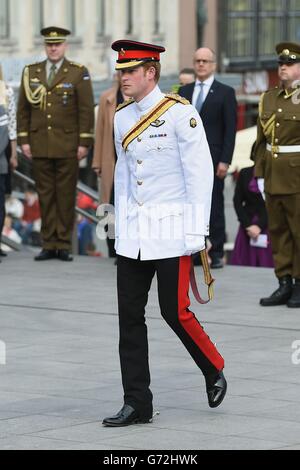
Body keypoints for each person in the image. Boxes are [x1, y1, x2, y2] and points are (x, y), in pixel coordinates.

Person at [102, 40, 227, 428]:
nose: (124, 77)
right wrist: (116, 225)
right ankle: (137, 401)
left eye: (131, 71)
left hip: (172, 231)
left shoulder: (180, 113)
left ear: (151, 73)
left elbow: (199, 173)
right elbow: (123, 176)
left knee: (175, 313)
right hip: (134, 235)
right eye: (121, 71)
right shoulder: (121, 117)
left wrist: (196, 233)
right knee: (129, 319)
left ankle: (213, 367)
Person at [17, 26, 94, 261]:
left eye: (57, 44)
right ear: (45, 46)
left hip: (68, 145)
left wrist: (84, 142)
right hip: (39, 144)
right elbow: (23, 110)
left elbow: (86, 110)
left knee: (65, 195)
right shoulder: (31, 71)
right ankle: (48, 243)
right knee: (45, 195)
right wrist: (24, 140)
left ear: (65, 46)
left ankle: (62, 244)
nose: (53, 48)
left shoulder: (77, 73)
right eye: (50, 44)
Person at [179, 48, 237, 269]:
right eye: (197, 61)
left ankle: (218, 251)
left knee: (215, 204)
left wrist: (225, 160)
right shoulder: (184, 91)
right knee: (191, 205)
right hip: (188, 160)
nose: (201, 64)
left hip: (214, 160)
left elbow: (230, 130)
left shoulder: (225, 92)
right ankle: (195, 249)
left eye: (205, 61)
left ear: (213, 64)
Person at [254, 42, 300, 308]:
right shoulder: (268, 98)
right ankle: (283, 282)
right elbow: (261, 141)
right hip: (273, 175)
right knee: (278, 231)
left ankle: (298, 283)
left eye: (290, 64)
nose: (283, 68)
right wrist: (259, 174)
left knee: (298, 232)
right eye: (281, 64)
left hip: (296, 177)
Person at [92, 72, 130, 258]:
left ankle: (126, 249)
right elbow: (99, 133)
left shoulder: (141, 97)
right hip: (111, 162)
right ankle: (112, 248)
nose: (124, 76)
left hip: (132, 163)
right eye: (121, 72)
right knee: (109, 207)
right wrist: (97, 162)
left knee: (128, 207)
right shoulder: (107, 97)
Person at [230, 143, 274, 268]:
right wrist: (248, 225)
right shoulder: (245, 173)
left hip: (268, 226)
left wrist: (259, 226)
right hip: (247, 228)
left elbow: (274, 203)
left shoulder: (274, 175)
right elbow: (237, 201)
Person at [0, 67, 17, 260]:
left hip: (2, 154)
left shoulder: (6, 90)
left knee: (0, 202)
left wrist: (13, 153)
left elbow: (11, 126)